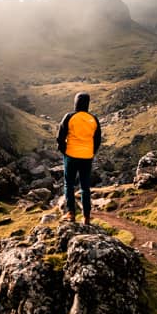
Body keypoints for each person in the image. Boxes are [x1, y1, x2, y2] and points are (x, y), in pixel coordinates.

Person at [56, 92, 101, 225]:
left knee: (69, 184)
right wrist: (91, 152)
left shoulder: (69, 117)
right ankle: (86, 217)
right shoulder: (93, 119)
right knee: (85, 186)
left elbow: (60, 137)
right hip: (87, 157)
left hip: (71, 155)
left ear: (76, 102)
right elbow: (97, 139)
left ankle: (70, 214)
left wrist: (64, 151)